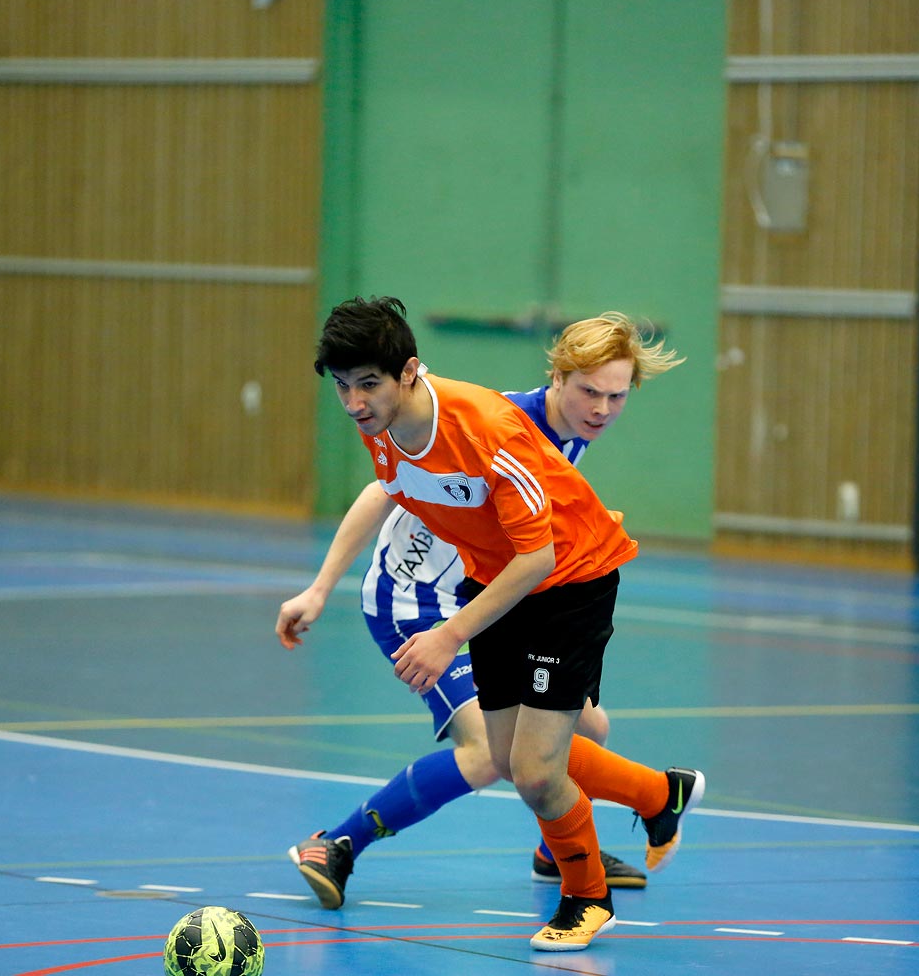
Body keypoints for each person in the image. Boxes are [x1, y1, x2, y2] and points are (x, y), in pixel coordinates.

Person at [277, 297, 704, 951]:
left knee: (568, 738)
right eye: (590, 391)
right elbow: (388, 491)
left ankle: (597, 847)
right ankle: (340, 842)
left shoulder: (550, 439)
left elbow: (542, 546)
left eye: (618, 397)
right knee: (499, 756)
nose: (602, 409)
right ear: (556, 378)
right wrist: (320, 586)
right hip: (426, 599)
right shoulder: (481, 422)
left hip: (519, 591)